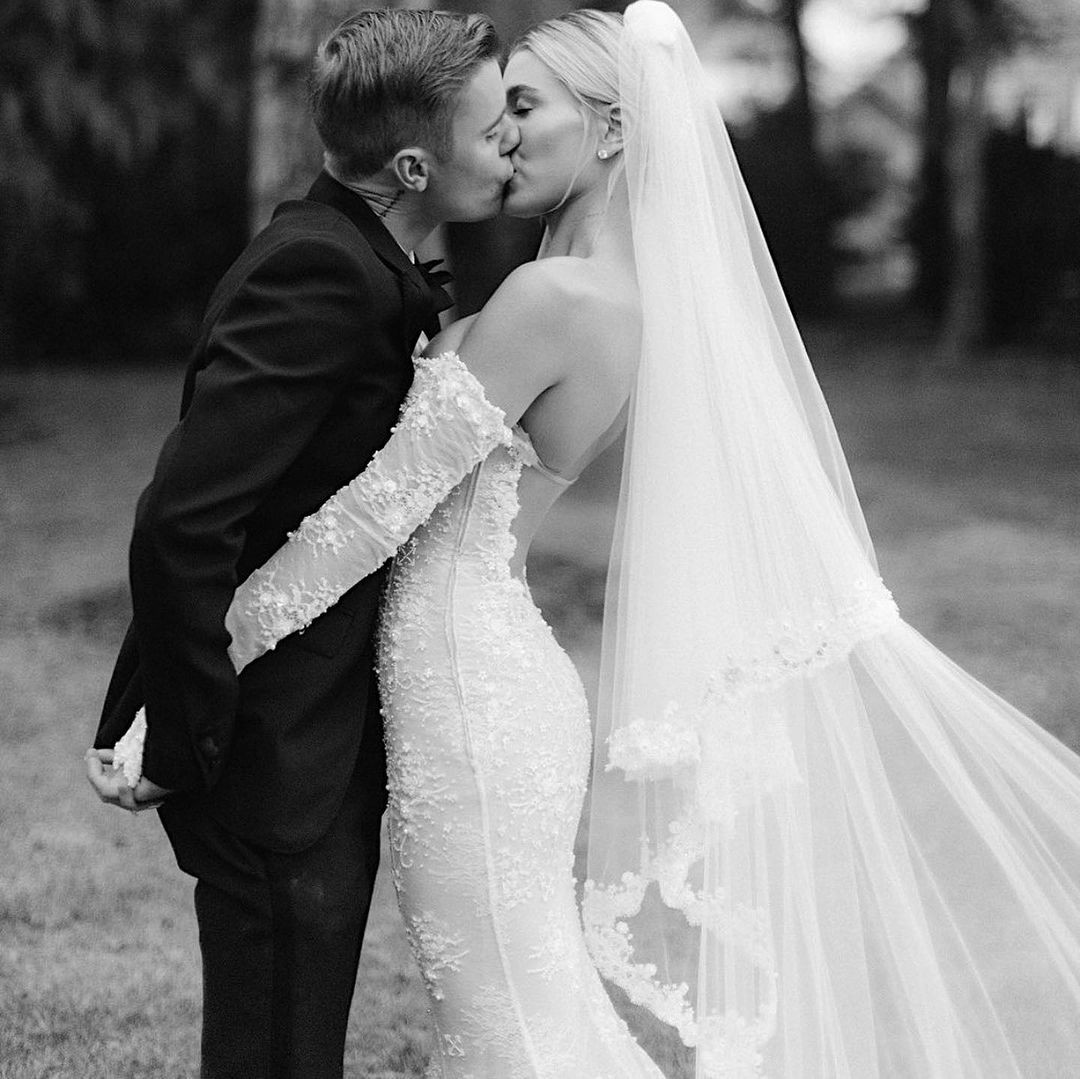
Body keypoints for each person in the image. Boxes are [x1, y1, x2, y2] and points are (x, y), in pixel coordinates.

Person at [109, 3, 1080, 1077]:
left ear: (613, 128)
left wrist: (175, 695)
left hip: (470, 683)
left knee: (506, 1017)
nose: (506, 135)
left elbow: (371, 517)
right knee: (517, 999)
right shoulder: (598, 289)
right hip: (473, 673)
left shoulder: (557, 297)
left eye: (524, 107)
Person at [84, 10, 518, 1077]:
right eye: (492, 124)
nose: (511, 136)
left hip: (316, 730)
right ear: (414, 166)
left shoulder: (363, 255)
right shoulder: (317, 271)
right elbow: (182, 520)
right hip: (270, 744)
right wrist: (194, 741)